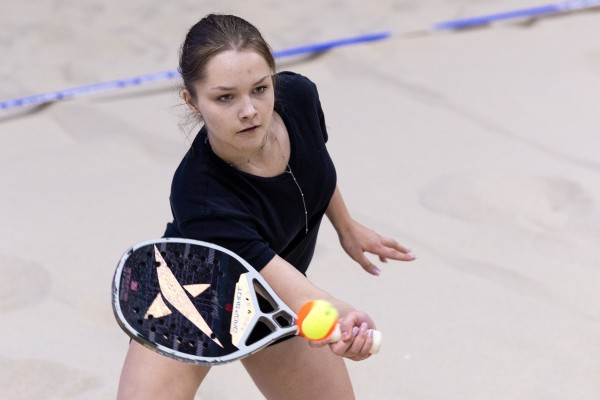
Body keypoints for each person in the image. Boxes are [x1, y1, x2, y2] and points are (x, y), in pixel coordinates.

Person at [117, 13, 416, 400]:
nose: (249, 110)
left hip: (270, 305)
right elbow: (296, 292)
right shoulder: (199, 196)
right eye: (225, 97)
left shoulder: (299, 97)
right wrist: (344, 316)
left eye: (259, 89)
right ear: (192, 101)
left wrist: (346, 226)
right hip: (190, 301)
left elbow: (315, 164)